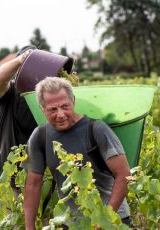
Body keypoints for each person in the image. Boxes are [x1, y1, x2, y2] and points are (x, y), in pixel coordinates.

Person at [23, 77, 131, 229]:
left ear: (73, 101)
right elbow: (33, 184)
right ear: (42, 109)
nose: (60, 114)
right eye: (52, 109)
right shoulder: (40, 136)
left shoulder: (97, 129)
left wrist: (105, 217)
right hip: (72, 223)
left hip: (113, 218)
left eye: (65, 106)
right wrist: (29, 227)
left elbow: (124, 174)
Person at [0, 45, 38, 189]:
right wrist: (21, 60)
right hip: (10, 173)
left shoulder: (45, 96)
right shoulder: (9, 92)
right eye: (26, 66)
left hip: (39, 174)